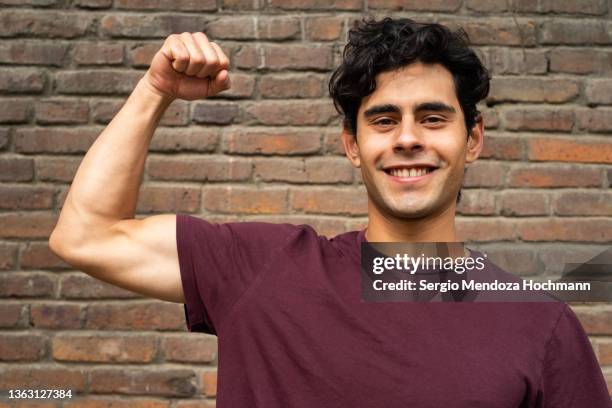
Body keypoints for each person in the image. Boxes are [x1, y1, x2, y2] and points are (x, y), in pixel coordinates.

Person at [49, 17, 611, 407]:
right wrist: (155, 91)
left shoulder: (541, 325)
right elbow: (86, 235)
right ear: (352, 145)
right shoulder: (262, 269)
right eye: (384, 120)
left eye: (434, 118)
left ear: (473, 140)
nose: (408, 139)